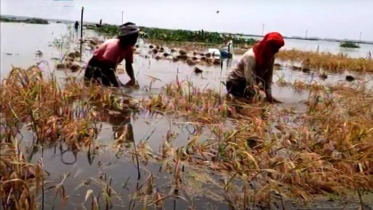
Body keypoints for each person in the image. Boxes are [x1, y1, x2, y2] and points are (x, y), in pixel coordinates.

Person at [226, 32, 285, 103]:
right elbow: (250, 81)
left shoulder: (271, 57)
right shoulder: (251, 57)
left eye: (278, 48)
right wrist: (257, 97)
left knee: (261, 98)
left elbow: (268, 78)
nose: (277, 51)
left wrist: (269, 96)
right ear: (268, 46)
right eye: (275, 48)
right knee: (248, 101)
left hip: (248, 82)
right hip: (235, 82)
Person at [84, 22, 139, 87]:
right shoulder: (114, 47)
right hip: (95, 66)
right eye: (133, 38)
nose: (135, 40)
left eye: (136, 38)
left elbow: (128, 65)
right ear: (127, 37)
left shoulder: (129, 47)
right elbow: (109, 70)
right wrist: (119, 86)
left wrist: (132, 78)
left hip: (108, 68)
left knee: (116, 86)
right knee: (97, 86)